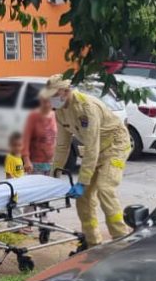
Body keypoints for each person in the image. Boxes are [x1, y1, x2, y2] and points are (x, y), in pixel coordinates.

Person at [43, 75, 131, 246]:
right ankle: (92, 243)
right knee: (83, 200)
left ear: (66, 91)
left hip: (116, 145)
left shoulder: (87, 108)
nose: (51, 99)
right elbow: (62, 146)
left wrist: (82, 182)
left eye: (55, 94)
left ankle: (121, 241)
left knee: (105, 188)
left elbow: (91, 146)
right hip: (96, 148)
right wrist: (54, 175)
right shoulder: (60, 111)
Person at [22, 97, 58, 175]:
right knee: (36, 185)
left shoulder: (54, 115)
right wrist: (26, 160)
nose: (48, 104)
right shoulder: (33, 115)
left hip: (51, 163)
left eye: (50, 102)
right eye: (45, 102)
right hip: (36, 163)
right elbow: (26, 139)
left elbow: (55, 138)